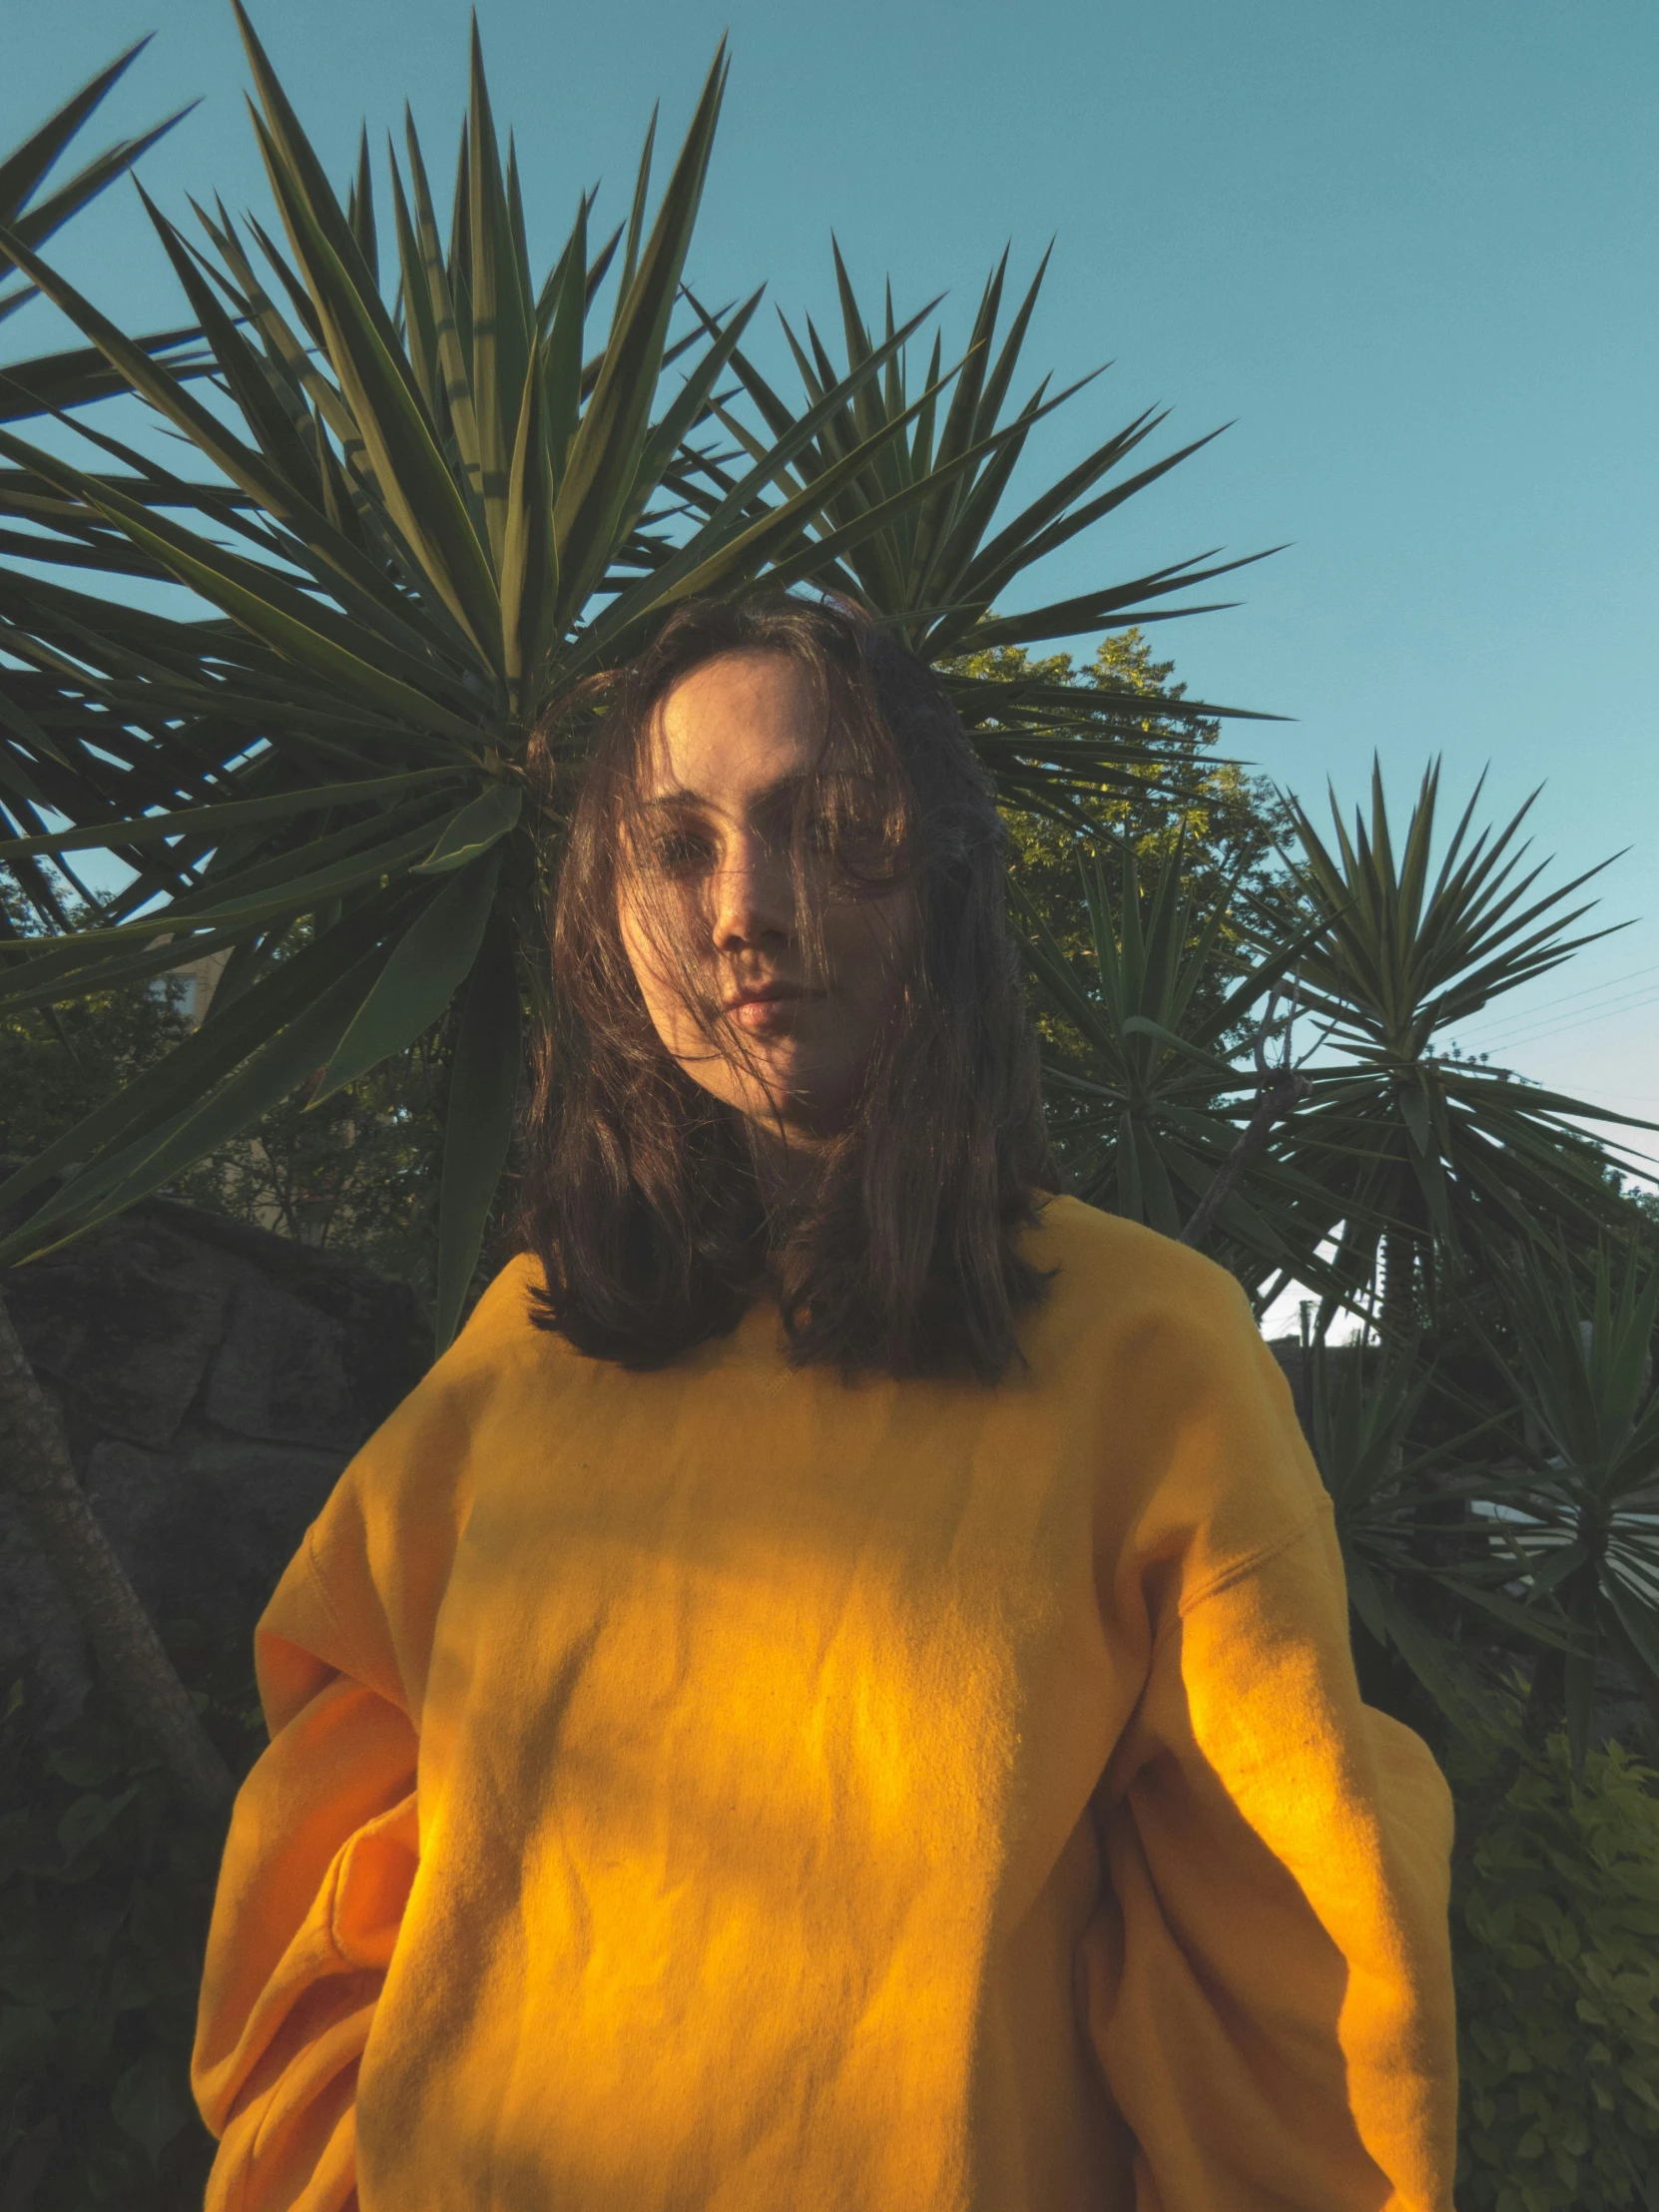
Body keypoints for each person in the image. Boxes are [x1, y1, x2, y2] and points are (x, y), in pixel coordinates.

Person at [192, 594, 1457, 2211]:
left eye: (829, 826)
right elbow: (333, 1870)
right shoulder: (516, 1348)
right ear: (606, 920)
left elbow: (1284, 1982)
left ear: (939, 877)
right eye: (674, 847)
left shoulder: (1148, 1355)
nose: (743, 910)